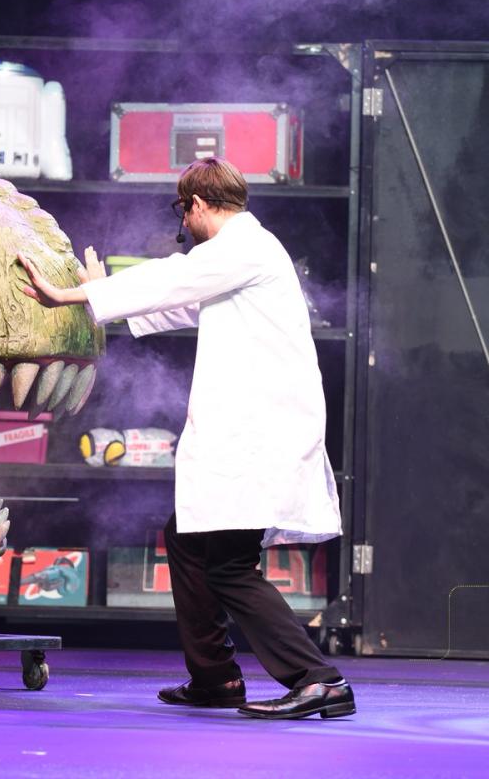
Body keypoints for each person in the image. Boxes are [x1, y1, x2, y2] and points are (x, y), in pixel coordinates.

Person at [19, 157, 354, 721]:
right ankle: (216, 678)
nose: (184, 225)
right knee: (187, 539)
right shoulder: (237, 258)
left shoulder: (242, 248)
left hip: (259, 435)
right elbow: (177, 302)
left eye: (183, 212)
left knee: (229, 566)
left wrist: (71, 296)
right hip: (251, 433)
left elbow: (172, 278)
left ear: (196, 204)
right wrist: (102, 294)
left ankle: (319, 679)